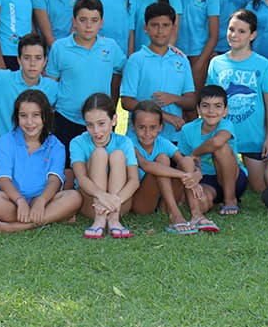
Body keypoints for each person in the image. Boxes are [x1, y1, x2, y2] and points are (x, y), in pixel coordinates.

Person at [0, 89, 82, 233]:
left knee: (74, 197)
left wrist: (41, 201)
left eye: (36, 115)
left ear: (45, 117)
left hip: (43, 200)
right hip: (11, 201)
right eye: (23, 116)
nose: (29, 122)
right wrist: (20, 201)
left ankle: (15, 227)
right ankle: (51, 217)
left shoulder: (56, 145)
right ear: (17, 117)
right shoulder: (5, 142)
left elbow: (55, 180)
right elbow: (3, 179)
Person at [47, 0, 126, 176]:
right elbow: (51, 83)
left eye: (94, 20)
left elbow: (125, 69)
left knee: (99, 168)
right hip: (66, 119)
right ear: (74, 21)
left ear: (101, 22)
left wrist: (112, 102)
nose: (88, 26)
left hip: (100, 121)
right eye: (83, 20)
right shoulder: (60, 48)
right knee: (66, 170)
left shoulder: (110, 47)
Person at [207, 9, 268, 195]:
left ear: (253, 35)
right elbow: (208, 101)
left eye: (241, 31)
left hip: (253, 138)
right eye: (231, 29)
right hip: (225, 138)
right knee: (225, 183)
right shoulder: (216, 63)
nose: (234, 35)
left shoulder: (263, 64)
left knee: (259, 187)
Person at [127, 101, 209, 235]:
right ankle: (175, 214)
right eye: (142, 127)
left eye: (152, 127)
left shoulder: (163, 142)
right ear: (133, 126)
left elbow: (184, 162)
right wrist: (184, 175)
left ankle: (196, 214)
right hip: (142, 203)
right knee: (162, 159)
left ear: (160, 127)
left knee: (187, 160)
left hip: (163, 200)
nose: (147, 133)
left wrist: (196, 174)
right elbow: (146, 165)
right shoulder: (129, 143)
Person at [0, 34, 58, 169]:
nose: (32, 64)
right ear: (19, 60)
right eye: (27, 58)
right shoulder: (1, 79)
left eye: (38, 58)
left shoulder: (52, 88)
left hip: (36, 152)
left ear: (45, 61)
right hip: (3, 151)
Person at [121, 3, 195, 141]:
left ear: (173, 28)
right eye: (155, 25)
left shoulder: (182, 60)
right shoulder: (136, 59)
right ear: (145, 28)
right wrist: (163, 115)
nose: (160, 31)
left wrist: (174, 98)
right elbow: (126, 101)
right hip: (140, 138)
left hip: (173, 136)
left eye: (166, 25)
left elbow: (191, 101)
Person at [70, 93, 139, 239]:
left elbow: (134, 180)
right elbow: (81, 178)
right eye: (90, 125)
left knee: (118, 155)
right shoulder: (77, 142)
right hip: (91, 203)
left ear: (114, 120)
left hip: (119, 204)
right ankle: (99, 220)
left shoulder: (125, 142)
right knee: (99, 153)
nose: (96, 131)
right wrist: (101, 196)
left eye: (101, 123)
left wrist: (114, 201)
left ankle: (114, 220)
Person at [178, 85, 248, 215]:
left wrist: (195, 153)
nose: (211, 111)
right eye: (205, 106)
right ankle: (214, 200)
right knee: (201, 203)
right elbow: (182, 160)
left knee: (221, 148)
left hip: (232, 177)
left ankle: (230, 200)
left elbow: (216, 142)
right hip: (205, 179)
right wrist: (194, 174)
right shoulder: (187, 130)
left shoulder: (226, 124)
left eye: (217, 106)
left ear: (225, 111)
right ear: (198, 109)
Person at [176, 0, 219, 106]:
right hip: (177, 55)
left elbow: (213, 36)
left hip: (198, 55)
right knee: (177, 102)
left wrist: (200, 63)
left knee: (192, 104)